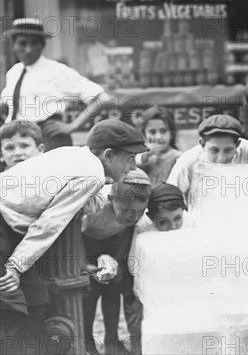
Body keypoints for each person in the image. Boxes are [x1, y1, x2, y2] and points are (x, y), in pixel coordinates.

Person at [0, 119, 147, 348]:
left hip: (8, 225)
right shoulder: (92, 174)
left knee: (34, 303)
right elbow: (50, 223)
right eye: (129, 158)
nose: (132, 167)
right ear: (108, 155)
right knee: (13, 306)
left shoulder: (76, 155)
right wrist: (17, 265)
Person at [1, 18, 112, 150]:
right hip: (19, 139)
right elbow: (7, 105)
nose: (28, 49)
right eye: (22, 43)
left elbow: (102, 98)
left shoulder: (57, 71)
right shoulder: (14, 72)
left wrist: (73, 126)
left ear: (43, 45)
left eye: (34, 43)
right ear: (13, 45)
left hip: (48, 138)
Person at [81, 169, 151, 355]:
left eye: (139, 211)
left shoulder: (134, 218)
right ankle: (87, 340)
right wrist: (86, 267)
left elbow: (128, 235)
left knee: (113, 289)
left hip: (113, 247)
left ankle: (111, 339)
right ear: (111, 199)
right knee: (89, 292)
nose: (132, 216)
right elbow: (74, 240)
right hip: (86, 247)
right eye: (127, 210)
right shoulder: (93, 210)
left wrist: (118, 263)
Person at [127, 183, 186, 355]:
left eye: (177, 218)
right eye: (163, 222)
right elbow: (133, 265)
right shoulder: (143, 228)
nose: (173, 226)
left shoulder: (190, 223)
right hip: (148, 292)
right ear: (151, 218)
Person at [168, 114, 248, 207]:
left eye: (228, 150)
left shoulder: (246, 150)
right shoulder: (188, 162)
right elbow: (170, 197)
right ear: (202, 144)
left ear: (237, 144)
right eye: (214, 150)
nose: (221, 158)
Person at [136, 106, 182, 186]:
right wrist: (145, 155)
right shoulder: (143, 158)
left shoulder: (178, 158)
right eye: (152, 132)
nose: (158, 137)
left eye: (163, 131)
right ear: (144, 134)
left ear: (171, 133)